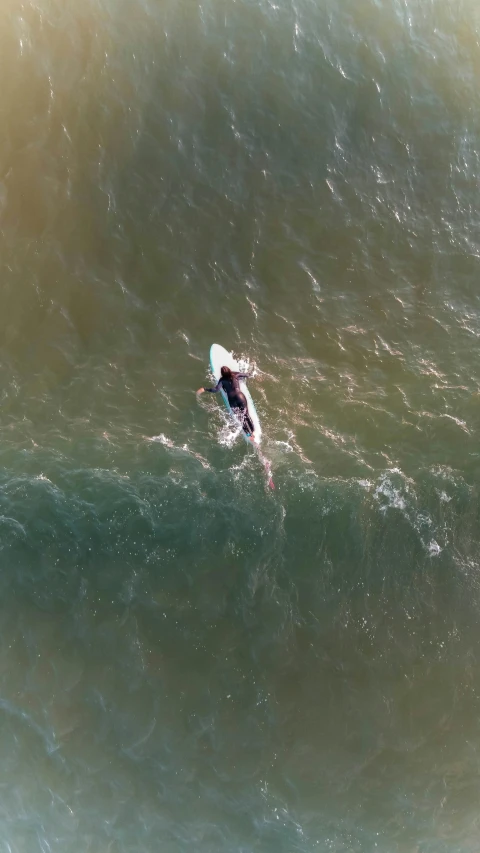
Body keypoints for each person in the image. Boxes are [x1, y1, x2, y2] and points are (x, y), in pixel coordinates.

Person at [197, 366, 255, 441]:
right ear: (229, 370)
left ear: (222, 374)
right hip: (240, 397)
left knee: (241, 418)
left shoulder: (222, 380)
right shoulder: (236, 374)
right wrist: (252, 374)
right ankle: (253, 432)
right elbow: (247, 375)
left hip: (232, 400)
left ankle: (249, 435)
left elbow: (216, 389)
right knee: (246, 414)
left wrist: (205, 389)